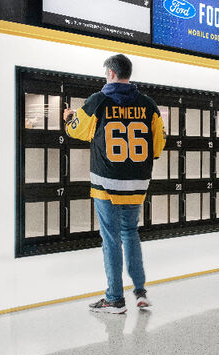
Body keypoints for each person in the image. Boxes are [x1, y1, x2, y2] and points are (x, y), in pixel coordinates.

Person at [64, 54, 165, 314]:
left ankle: (114, 298)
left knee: (110, 239)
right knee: (130, 232)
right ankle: (140, 292)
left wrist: (68, 118)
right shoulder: (149, 105)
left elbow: (76, 130)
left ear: (110, 74)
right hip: (137, 184)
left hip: (106, 184)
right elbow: (157, 147)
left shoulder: (98, 101)